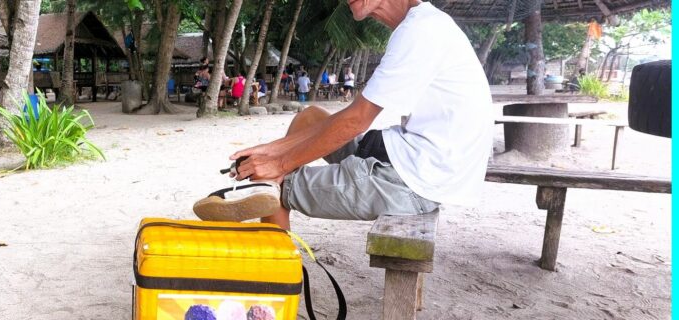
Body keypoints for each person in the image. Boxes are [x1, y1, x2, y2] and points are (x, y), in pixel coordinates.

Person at [193, 0, 493, 230]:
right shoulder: (425, 24)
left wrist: (279, 163)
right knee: (308, 117)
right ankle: (275, 193)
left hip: (415, 183)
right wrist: (269, 151)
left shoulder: (421, 31)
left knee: (271, 188)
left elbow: (357, 118)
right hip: (410, 157)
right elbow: (354, 117)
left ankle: (276, 282)